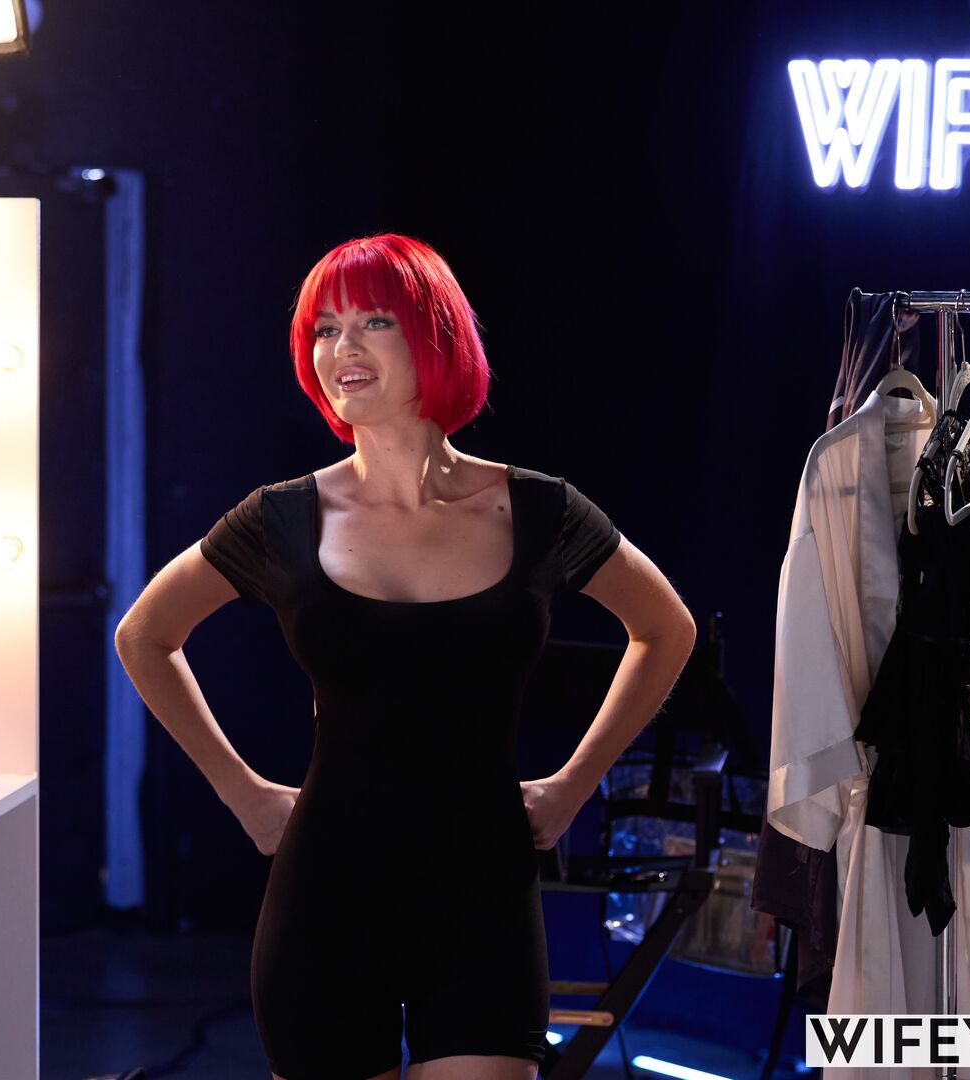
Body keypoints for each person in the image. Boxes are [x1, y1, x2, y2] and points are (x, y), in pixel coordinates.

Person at [114, 233, 696, 1080]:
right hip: (324, 897)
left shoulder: (539, 511)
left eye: (372, 322)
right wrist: (241, 792)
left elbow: (665, 629)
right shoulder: (282, 518)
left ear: (434, 335)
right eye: (324, 329)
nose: (341, 349)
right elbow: (144, 635)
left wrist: (575, 784)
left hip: (483, 897)